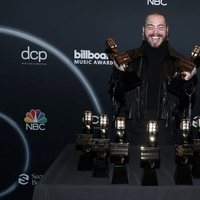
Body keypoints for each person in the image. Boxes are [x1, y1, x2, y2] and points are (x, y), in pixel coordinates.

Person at [107, 12, 199, 145]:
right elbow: (117, 95)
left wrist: (188, 82)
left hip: (167, 129)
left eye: (160, 27)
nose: (155, 32)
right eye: (150, 27)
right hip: (133, 127)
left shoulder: (180, 62)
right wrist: (118, 74)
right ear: (143, 30)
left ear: (167, 31)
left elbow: (185, 103)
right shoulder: (129, 58)